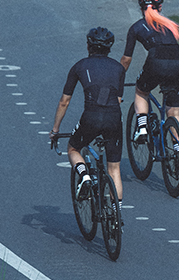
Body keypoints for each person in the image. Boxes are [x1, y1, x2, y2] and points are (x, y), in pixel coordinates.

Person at [49, 27, 125, 203]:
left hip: (91, 117)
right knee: (114, 169)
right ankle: (117, 213)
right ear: (109, 48)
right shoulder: (119, 68)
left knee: (73, 148)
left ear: (88, 46)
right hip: (114, 117)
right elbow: (118, 99)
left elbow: (64, 101)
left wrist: (55, 129)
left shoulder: (79, 66)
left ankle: (84, 175)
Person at [120, 0, 179, 142]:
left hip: (156, 61)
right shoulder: (170, 25)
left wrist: (118, 77)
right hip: (178, 61)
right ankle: (178, 149)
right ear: (160, 7)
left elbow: (126, 59)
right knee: (175, 113)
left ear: (140, 8)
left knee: (141, 91)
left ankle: (142, 128)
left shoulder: (136, 27)